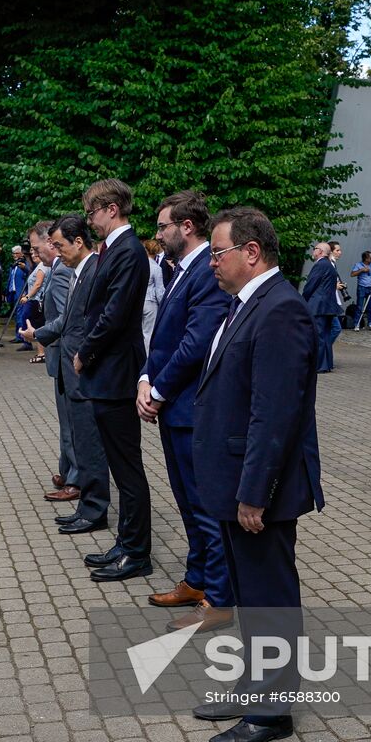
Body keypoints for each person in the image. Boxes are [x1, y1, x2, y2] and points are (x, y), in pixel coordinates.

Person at [190, 206, 322, 742]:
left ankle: (273, 713)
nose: (212, 263)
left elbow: (275, 413)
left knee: (269, 597)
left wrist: (253, 494)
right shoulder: (247, 304)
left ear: (251, 252)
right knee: (249, 594)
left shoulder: (280, 310)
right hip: (234, 479)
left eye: (218, 253)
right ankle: (254, 687)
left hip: (257, 489)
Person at [139, 190, 231, 633]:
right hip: (174, 406)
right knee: (186, 500)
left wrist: (157, 389)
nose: (157, 235)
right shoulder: (180, 271)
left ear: (186, 227)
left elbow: (195, 344)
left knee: (204, 503)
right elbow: (162, 335)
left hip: (192, 407)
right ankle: (196, 580)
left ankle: (218, 596)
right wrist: (145, 378)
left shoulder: (206, 273)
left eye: (162, 227)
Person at [71, 178, 152, 583]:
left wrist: (85, 353)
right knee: (121, 467)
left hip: (116, 372)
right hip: (110, 372)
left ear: (112, 208)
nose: (91, 221)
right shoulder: (115, 249)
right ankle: (126, 542)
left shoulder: (129, 250)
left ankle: (137, 552)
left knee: (127, 468)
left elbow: (114, 314)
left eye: (93, 212)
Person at [47, 215, 112, 534]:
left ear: (78, 242)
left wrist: (84, 356)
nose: (56, 252)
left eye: (59, 245)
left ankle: (95, 508)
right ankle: (87, 505)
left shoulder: (94, 272)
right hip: (73, 370)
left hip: (83, 370)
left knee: (90, 442)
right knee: (82, 442)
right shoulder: (76, 272)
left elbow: (96, 323)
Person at [21, 221, 80, 503]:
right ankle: (67, 471)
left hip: (64, 355)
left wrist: (37, 334)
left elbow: (65, 319)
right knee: (66, 421)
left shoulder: (59, 274)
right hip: (61, 355)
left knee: (70, 422)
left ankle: (74, 480)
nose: (34, 253)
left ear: (50, 243)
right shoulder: (57, 270)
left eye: (36, 247)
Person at [301, 242, 341, 373]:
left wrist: (303, 299)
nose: (313, 251)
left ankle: (319, 365)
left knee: (318, 336)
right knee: (325, 335)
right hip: (327, 306)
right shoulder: (329, 265)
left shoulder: (320, 265)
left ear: (321, 251)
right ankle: (326, 364)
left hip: (318, 306)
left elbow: (311, 285)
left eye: (315, 248)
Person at [16, 246, 47, 356]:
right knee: (30, 320)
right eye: (32, 254)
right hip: (34, 299)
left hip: (36, 300)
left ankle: (40, 351)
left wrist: (27, 297)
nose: (33, 256)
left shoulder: (42, 267)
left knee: (35, 323)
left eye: (35, 254)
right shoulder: (37, 266)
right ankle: (32, 345)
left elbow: (38, 284)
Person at [140, 237, 165, 352]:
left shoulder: (139, 266)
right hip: (151, 303)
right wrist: (163, 305)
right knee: (148, 333)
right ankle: (146, 359)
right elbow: (159, 291)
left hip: (139, 302)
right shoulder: (157, 268)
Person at [350, 250, 371, 330]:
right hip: (361, 287)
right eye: (370, 257)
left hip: (370, 288)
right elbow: (352, 274)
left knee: (370, 307)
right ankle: (357, 324)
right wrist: (361, 270)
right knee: (359, 307)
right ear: (366, 258)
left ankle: (370, 323)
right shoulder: (358, 265)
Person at [6, 246, 29, 343]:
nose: (15, 255)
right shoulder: (14, 265)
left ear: (22, 253)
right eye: (14, 254)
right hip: (13, 293)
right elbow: (10, 279)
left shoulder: (25, 264)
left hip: (22, 293)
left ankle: (21, 336)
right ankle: (18, 335)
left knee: (20, 315)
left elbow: (30, 275)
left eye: (17, 253)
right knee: (17, 314)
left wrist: (25, 268)